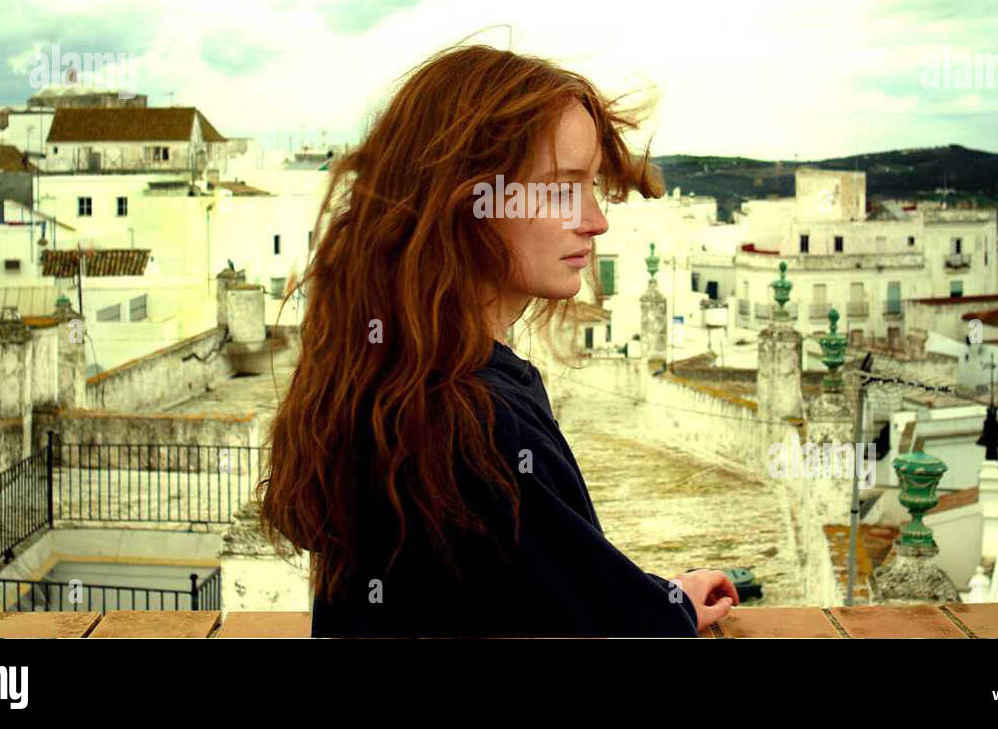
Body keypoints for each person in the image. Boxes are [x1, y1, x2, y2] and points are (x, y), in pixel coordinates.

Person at [258, 43, 737, 636]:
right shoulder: (471, 418)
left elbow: (551, 580)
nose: (595, 219)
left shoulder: (397, 376)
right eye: (562, 189)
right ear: (469, 200)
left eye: (592, 187)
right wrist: (668, 611)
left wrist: (665, 600)